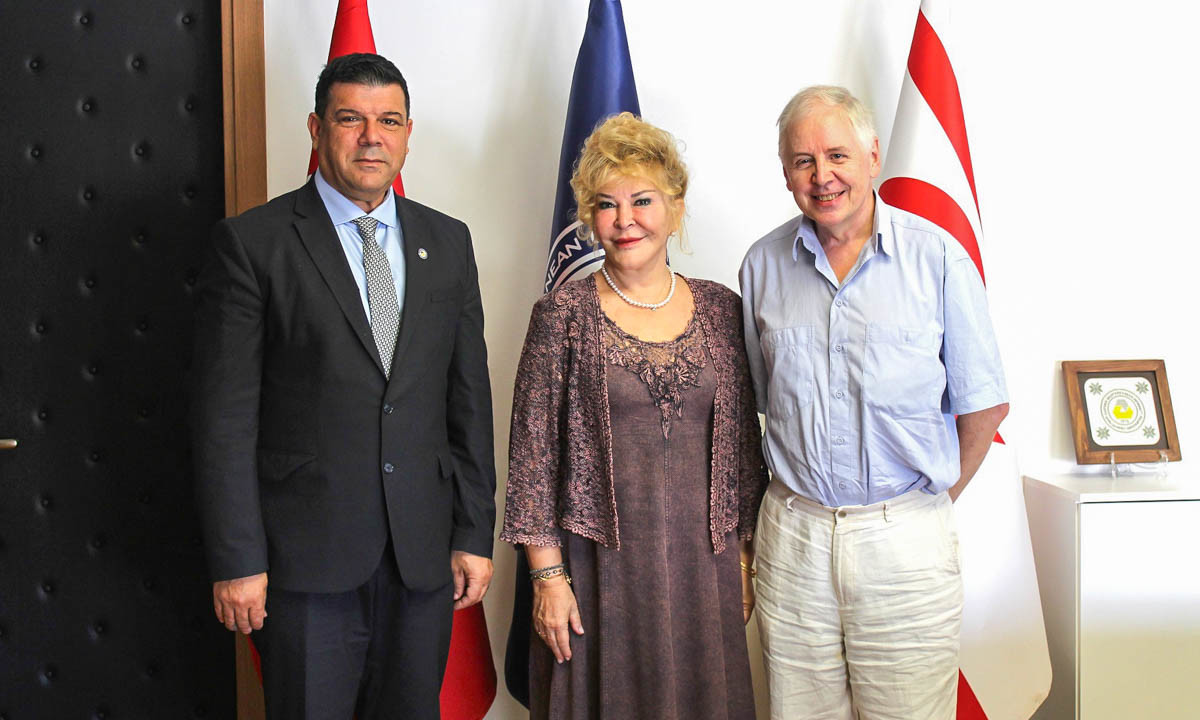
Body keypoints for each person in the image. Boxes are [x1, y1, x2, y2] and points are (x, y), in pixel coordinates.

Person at [191, 53, 496, 720]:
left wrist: (475, 531)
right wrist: (238, 558)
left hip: (421, 559)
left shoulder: (447, 242)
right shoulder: (253, 245)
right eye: (351, 119)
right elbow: (225, 419)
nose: (371, 137)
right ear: (316, 127)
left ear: (408, 132)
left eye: (388, 121)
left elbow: (468, 398)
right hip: (304, 564)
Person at [739, 85, 1010, 719]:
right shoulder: (760, 266)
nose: (823, 175)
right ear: (785, 173)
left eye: (837, 154)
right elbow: (754, 405)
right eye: (803, 161)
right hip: (795, 540)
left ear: (873, 156)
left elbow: (984, 406)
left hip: (905, 544)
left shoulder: (937, 258)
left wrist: (927, 504)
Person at [501, 112, 768, 720]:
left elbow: (746, 455)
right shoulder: (560, 317)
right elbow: (531, 462)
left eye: (642, 200)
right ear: (587, 217)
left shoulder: (724, 310)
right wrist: (547, 579)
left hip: (707, 570)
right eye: (605, 204)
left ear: (675, 208)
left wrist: (747, 558)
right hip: (597, 573)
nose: (625, 221)